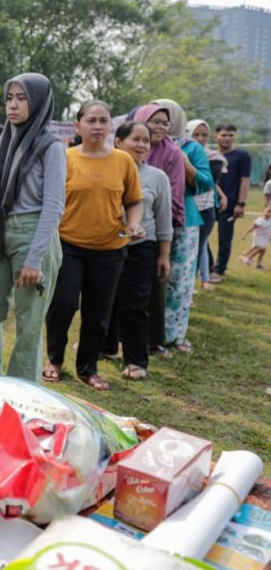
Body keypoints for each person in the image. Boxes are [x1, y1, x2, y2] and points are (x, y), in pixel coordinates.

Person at [0, 74, 65, 382]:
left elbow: (54, 205)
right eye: (10, 98)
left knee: (28, 326)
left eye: (22, 99)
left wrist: (35, 258)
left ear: (37, 103)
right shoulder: (2, 143)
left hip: (34, 234)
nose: (13, 105)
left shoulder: (51, 146)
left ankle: (22, 400)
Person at [43, 100, 143, 391]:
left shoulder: (123, 161)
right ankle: (54, 360)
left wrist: (134, 223)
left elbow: (133, 201)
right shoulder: (65, 157)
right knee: (62, 304)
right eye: (91, 120)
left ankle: (88, 367)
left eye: (103, 121)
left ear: (110, 126)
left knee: (98, 313)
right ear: (78, 125)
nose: (97, 126)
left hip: (110, 248)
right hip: (67, 245)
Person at [104, 121, 172, 380]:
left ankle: (135, 360)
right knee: (102, 299)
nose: (142, 145)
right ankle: (105, 347)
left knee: (135, 303)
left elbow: (164, 220)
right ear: (118, 142)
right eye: (136, 139)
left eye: (146, 140)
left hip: (142, 247)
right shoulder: (104, 170)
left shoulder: (157, 177)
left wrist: (164, 255)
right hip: (104, 246)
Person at [152, 99, 212, 352]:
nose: (162, 123)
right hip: (150, 218)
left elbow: (206, 182)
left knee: (180, 279)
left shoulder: (191, 147)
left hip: (184, 219)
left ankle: (174, 334)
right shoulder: (143, 141)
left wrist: (183, 163)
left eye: (166, 118)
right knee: (148, 277)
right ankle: (146, 333)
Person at [210, 123, 251, 283]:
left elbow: (245, 180)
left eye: (230, 135)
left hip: (231, 204)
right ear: (216, 136)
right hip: (209, 202)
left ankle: (219, 270)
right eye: (224, 135)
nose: (227, 138)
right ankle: (208, 265)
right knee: (200, 235)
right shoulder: (211, 155)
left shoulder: (242, 156)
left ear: (235, 137)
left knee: (225, 239)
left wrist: (241, 204)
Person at [187, 119, 219, 288]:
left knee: (200, 245)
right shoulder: (179, 152)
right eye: (196, 134)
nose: (200, 138)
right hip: (187, 206)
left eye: (204, 135)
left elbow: (210, 182)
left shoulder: (214, 157)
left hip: (205, 206)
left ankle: (200, 281)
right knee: (190, 249)